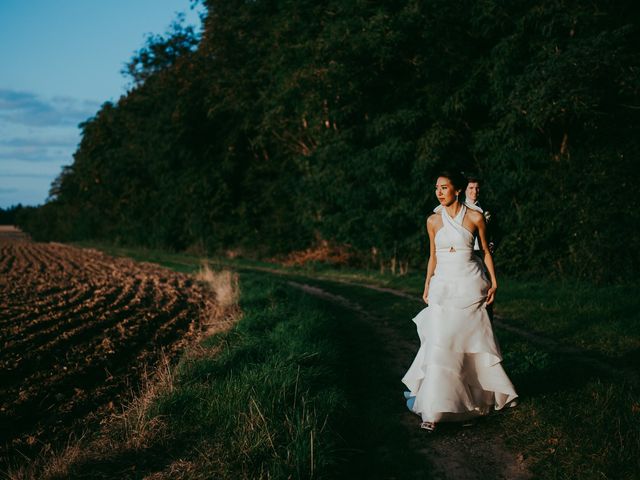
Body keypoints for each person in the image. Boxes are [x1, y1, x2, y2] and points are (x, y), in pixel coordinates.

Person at [402, 171, 517, 432]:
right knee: (440, 343)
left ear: (457, 190)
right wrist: (427, 282)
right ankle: (431, 412)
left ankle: (471, 400)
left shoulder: (475, 217)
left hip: (470, 284)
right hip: (442, 286)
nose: (439, 192)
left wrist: (495, 283)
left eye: (444, 187)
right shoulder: (432, 220)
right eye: (436, 188)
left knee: (466, 343)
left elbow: (486, 252)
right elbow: (432, 255)